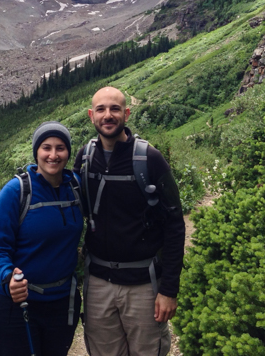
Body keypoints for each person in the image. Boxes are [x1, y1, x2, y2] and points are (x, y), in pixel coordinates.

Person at [74, 86, 185, 356]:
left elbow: (174, 224)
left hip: (144, 285)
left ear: (127, 114)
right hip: (98, 283)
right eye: (101, 109)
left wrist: (169, 290)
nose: (108, 115)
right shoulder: (85, 158)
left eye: (115, 109)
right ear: (91, 115)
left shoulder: (150, 159)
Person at [0, 121, 83, 356]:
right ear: (36, 152)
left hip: (62, 303)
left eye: (60, 148)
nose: (53, 155)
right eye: (46, 147)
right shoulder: (15, 192)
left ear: (68, 152)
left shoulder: (76, 188)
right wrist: (8, 277)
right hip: (16, 305)